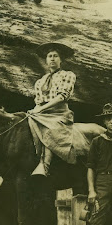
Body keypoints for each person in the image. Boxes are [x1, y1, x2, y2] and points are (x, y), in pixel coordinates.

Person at [27, 41, 76, 176]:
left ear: (61, 60)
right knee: (25, 121)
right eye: (50, 56)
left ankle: (45, 165)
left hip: (59, 113)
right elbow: (39, 101)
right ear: (46, 60)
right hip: (41, 112)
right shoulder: (40, 81)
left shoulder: (68, 75)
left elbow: (62, 97)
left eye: (55, 56)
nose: (52, 59)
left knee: (50, 128)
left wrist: (39, 111)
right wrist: (33, 111)